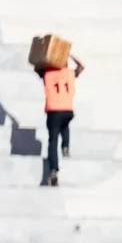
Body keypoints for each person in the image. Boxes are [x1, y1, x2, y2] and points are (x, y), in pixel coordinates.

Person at [39, 54, 84, 186]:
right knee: (65, 125)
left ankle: (53, 170)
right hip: (67, 110)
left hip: (53, 110)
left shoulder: (47, 73)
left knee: (53, 140)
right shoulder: (69, 73)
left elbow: (36, 66)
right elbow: (81, 67)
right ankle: (65, 146)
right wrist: (69, 54)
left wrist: (49, 56)